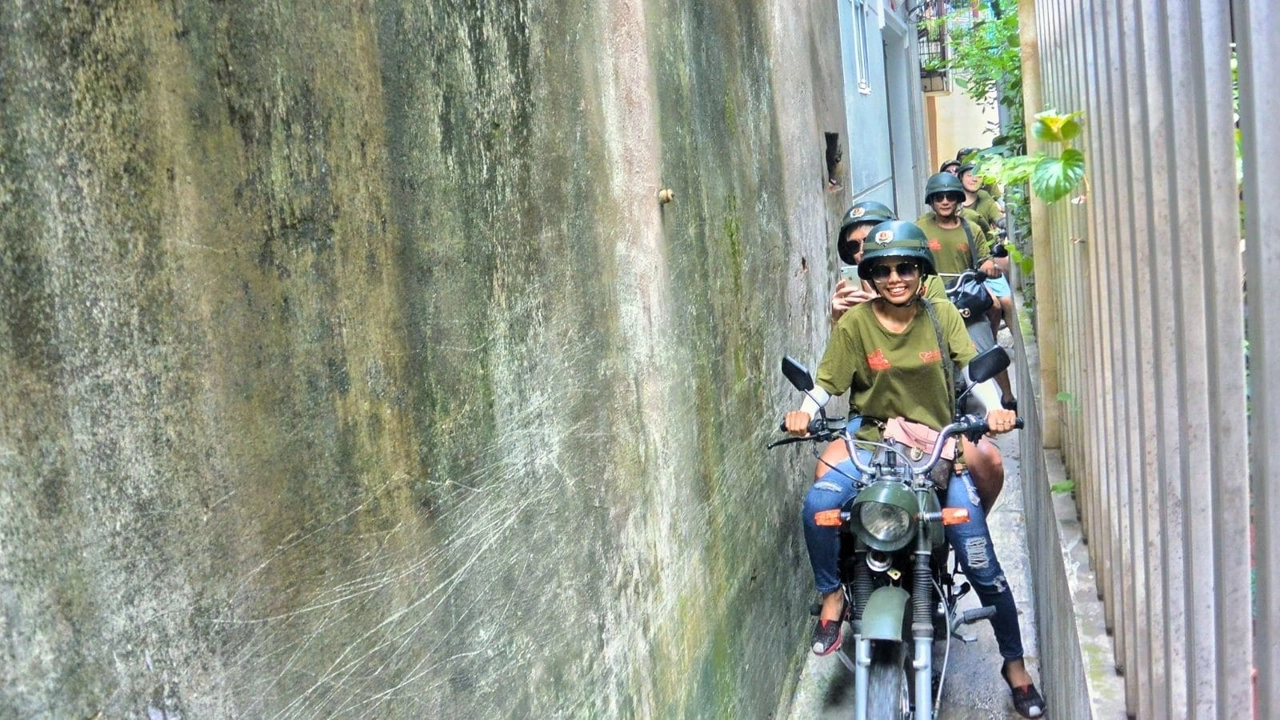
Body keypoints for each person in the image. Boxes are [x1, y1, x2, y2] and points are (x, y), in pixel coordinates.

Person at [786, 220, 1045, 718]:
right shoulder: (855, 325)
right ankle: (832, 598)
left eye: (905, 267)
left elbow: (973, 367)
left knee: (981, 560)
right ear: (871, 276)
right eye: (882, 270)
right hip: (871, 444)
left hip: (935, 447)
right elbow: (826, 384)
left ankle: (1014, 666)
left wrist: (994, 408)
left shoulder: (940, 314)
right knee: (819, 503)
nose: (895, 278)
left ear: (921, 272)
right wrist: (805, 412)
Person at [829, 200, 1005, 513]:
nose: (862, 249)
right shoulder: (850, 295)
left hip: (930, 415)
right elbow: (840, 367)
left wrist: (883, 305)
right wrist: (839, 320)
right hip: (873, 419)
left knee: (987, 464)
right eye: (854, 245)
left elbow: (933, 330)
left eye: (870, 237)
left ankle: (960, 538)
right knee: (825, 489)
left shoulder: (924, 283)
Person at [917, 172, 1017, 411]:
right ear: (931, 200)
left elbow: (983, 259)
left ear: (958, 199)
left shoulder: (971, 229)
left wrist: (988, 268)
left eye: (950, 196)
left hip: (966, 299)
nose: (944, 201)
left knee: (986, 347)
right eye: (938, 196)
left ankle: (1007, 396)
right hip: (933, 302)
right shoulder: (918, 229)